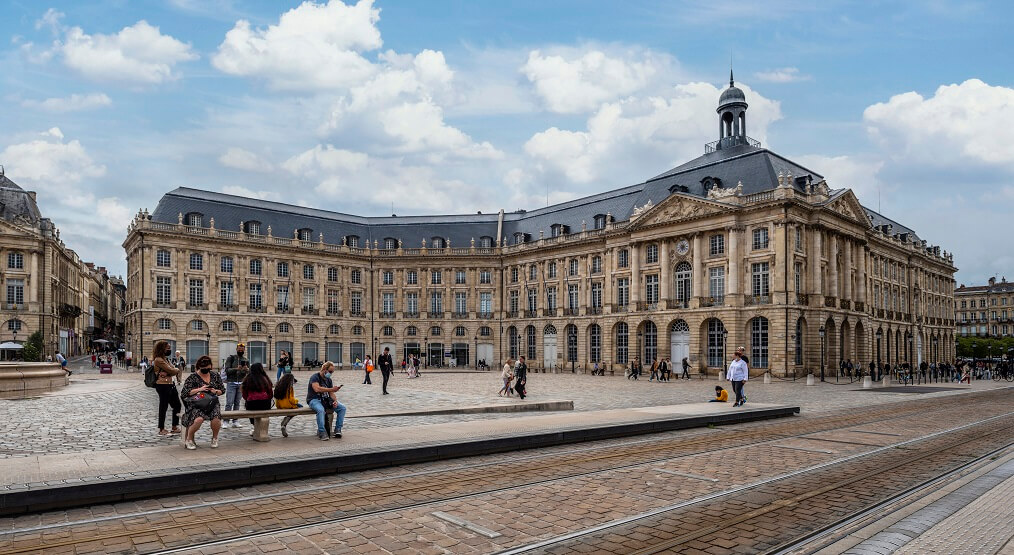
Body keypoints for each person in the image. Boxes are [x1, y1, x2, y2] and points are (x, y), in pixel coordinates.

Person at [180, 355, 224, 449]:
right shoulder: (192, 377)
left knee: (216, 418)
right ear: (199, 367)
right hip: (197, 403)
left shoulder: (215, 376)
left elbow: (222, 390)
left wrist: (215, 391)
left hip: (212, 403)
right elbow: (184, 393)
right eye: (203, 368)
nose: (205, 370)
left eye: (207, 368)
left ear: (210, 367)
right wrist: (199, 389)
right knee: (198, 419)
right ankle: (189, 440)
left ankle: (215, 438)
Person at [307, 361, 346, 440]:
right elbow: (317, 389)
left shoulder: (329, 380)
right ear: (324, 369)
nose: (331, 374)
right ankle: (322, 432)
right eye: (330, 371)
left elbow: (331, 393)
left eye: (332, 372)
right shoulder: (315, 377)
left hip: (326, 400)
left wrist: (335, 401)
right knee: (321, 410)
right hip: (314, 399)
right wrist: (332, 389)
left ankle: (338, 429)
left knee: (342, 408)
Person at [152, 340, 182, 436]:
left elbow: (174, 369)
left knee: (177, 405)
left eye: (169, 348)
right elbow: (172, 370)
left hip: (170, 384)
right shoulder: (158, 360)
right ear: (162, 349)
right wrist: (172, 370)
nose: (169, 350)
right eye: (167, 348)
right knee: (163, 407)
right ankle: (161, 429)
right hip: (162, 385)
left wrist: (171, 371)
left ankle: (174, 426)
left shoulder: (166, 359)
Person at [222, 343, 250, 428]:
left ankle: (235, 420)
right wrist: (236, 369)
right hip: (231, 382)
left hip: (241, 383)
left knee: (237, 403)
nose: (240, 350)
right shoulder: (231, 358)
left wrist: (246, 370)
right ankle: (226, 421)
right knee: (229, 403)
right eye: (239, 349)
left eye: (242, 349)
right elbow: (227, 370)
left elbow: (247, 373)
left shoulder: (246, 360)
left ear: (244, 350)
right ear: (236, 349)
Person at [241, 363, 274, 432]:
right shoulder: (266, 379)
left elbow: (244, 395)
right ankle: (261, 428)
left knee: (250, 407)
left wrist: (249, 399)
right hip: (265, 404)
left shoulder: (247, 379)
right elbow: (270, 393)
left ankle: (254, 426)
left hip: (252, 404)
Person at [273, 372, 301, 437]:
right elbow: (291, 399)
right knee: (298, 409)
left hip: (279, 405)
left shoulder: (278, 385)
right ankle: (286, 421)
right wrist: (296, 401)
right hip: (287, 405)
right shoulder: (289, 388)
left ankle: (285, 423)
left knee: (296, 407)